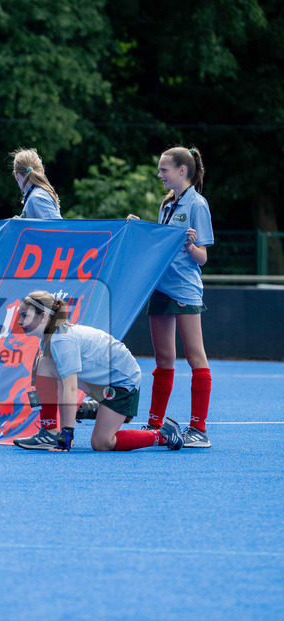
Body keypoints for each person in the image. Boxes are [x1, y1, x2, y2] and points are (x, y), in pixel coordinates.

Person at [11, 290, 183, 452]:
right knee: (44, 364)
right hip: (103, 379)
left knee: (101, 443)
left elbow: (70, 388)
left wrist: (68, 431)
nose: (20, 322)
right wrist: (63, 432)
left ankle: (164, 435)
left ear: (43, 317)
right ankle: (49, 433)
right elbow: (64, 384)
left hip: (123, 383)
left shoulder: (62, 341)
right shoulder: (52, 339)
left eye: (25, 315)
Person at [127, 146, 213, 448]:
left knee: (194, 355)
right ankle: (154, 424)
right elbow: (160, 244)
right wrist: (139, 228)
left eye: (164, 169)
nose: (160, 174)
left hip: (184, 289)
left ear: (182, 171)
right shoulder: (167, 204)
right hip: (161, 288)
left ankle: (199, 430)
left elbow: (202, 257)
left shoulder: (197, 205)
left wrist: (192, 247)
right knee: (163, 358)